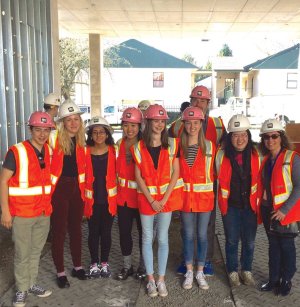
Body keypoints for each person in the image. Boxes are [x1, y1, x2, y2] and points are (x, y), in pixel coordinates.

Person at [170, 85, 226, 276]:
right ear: (190, 100)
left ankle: (206, 261)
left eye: (202, 101)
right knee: (186, 229)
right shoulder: (177, 125)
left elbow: (226, 153)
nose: (198, 103)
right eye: (195, 99)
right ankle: (187, 262)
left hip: (207, 183)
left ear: (208, 103)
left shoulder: (218, 125)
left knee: (207, 228)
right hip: (184, 185)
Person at [0, 111, 54, 307]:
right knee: (22, 253)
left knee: (35, 251)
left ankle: (30, 283)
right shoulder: (17, 151)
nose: (42, 134)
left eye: (46, 130)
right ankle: (21, 290)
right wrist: (5, 212)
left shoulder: (49, 151)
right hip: (22, 214)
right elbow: (3, 180)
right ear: (30, 129)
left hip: (42, 212)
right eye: (38, 130)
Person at [131, 104, 183, 298]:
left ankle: (161, 280)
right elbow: (138, 177)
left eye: (162, 121)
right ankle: (150, 280)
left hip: (165, 202)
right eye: (156, 120)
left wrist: (163, 199)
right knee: (147, 238)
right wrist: (152, 200)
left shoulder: (172, 144)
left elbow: (176, 173)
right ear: (148, 121)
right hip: (147, 201)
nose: (159, 124)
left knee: (162, 238)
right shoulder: (138, 147)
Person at [215, 114, 261, 287]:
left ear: (248, 136)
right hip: (231, 207)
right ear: (230, 137)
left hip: (250, 206)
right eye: (235, 135)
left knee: (249, 241)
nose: (240, 139)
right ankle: (233, 271)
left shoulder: (257, 154)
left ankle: (246, 270)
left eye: (243, 134)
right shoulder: (221, 156)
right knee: (232, 240)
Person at [258, 119, 300, 296]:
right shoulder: (266, 160)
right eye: (266, 137)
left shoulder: (292, 158)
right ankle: (273, 279)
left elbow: (299, 186)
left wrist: (284, 210)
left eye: (274, 136)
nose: (270, 140)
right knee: (273, 247)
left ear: (281, 137)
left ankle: (286, 280)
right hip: (269, 211)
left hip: (285, 212)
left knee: (287, 247)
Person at [49, 99, 87, 288]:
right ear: (62, 122)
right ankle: (60, 271)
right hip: (59, 190)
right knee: (59, 231)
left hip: (77, 190)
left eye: (76, 119)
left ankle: (77, 266)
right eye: (69, 120)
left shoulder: (82, 140)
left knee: (76, 230)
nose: (73, 123)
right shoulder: (52, 138)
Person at [179, 107, 215, 291]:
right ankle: (189, 271)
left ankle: (200, 271)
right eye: (188, 122)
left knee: (201, 236)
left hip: (205, 200)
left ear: (201, 124)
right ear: (183, 124)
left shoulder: (209, 146)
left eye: (195, 122)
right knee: (188, 235)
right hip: (185, 199)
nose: (192, 126)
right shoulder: (177, 146)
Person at [84, 116, 117, 278]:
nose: (98, 135)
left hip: (109, 201)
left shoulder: (113, 151)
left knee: (106, 233)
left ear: (107, 134)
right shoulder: (84, 152)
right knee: (93, 233)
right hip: (92, 201)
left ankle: (104, 263)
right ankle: (93, 263)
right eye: (95, 132)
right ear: (90, 135)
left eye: (101, 132)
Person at [116, 108, 146, 280]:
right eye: (126, 125)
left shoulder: (145, 145)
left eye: (133, 125)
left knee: (144, 234)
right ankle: (127, 266)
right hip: (123, 199)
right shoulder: (118, 144)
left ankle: (143, 266)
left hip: (141, 198)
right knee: (124, 233)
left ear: (140, 126)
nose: (130, 129)